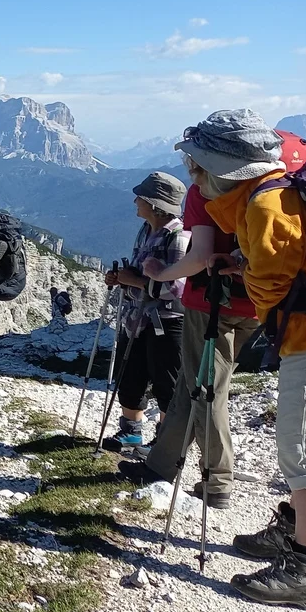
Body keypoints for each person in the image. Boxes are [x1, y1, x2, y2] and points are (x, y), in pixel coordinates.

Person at [172, 109, 306, 608]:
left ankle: (305, 570)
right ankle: (292, 529)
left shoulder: (263, 209)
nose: (193, 176)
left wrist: (240, 272)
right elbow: (291, 262)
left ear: (224, 168)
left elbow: (273, 287)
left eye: (198, 166)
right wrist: (240, 261)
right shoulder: (274, 195)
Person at [118, 133, 306, 508]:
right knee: (191, 384)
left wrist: (160, 274)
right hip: (258, 305)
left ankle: (217, 480)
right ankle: (160, 465)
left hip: (210, 304)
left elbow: (199, 255)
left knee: (207, 388)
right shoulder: (282, 190)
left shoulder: (206, 192)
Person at [100, 172, 190, 452]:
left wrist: (135, 281)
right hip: (137, 317)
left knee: (166, 380)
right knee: (132, 374)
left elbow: (177, 288)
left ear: (155, 204)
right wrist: (121, 278)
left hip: (168, 321)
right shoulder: (146, 230)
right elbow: (139, 270)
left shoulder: (179, 237)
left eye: (141, 197)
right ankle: (131, 434)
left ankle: (164, 444)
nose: (136, 201)